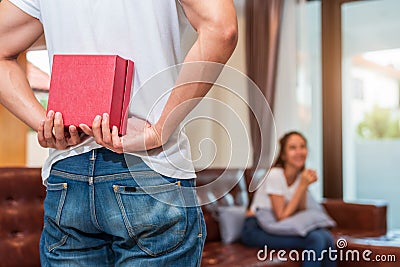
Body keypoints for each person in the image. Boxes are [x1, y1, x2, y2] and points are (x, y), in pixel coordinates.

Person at [0, 0, 238, 266]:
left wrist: (43, 122)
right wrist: (160, 130)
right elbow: (221, 29)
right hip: (149, 165)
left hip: (69, 173)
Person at [241, 131, 336, 267]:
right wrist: (302, 185)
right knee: (315, 239)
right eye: (293, 148)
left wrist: (303, 185)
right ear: (284, 155)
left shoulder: (299, 177)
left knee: (325, 236)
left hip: (277, 226)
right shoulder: (275, 175)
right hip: (256, 228)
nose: (299, 151)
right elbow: (281, 216)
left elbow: (301, 209)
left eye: (302, 146)